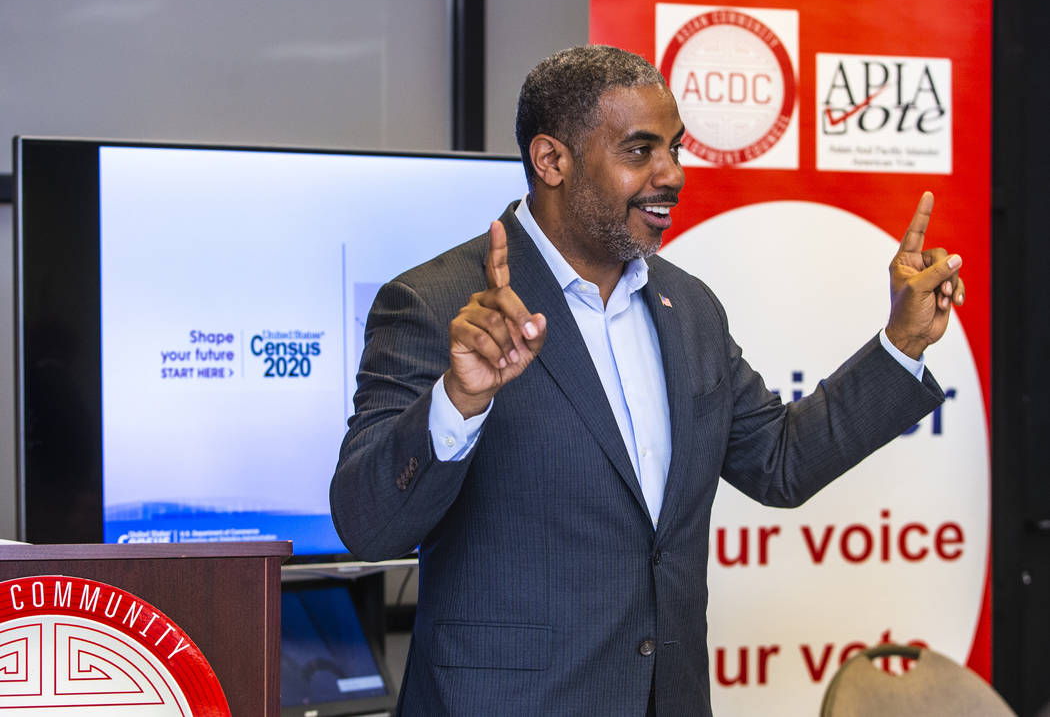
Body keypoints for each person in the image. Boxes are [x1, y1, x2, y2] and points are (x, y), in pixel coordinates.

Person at [330, 45, 963, 716]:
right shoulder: (437, 304)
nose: (673, 174)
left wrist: (903, 343)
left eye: (676, 148)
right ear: (552, 161)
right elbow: (369, 528)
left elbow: (780, 462)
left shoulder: (687, 307)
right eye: (639, 151)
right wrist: (459, 399)